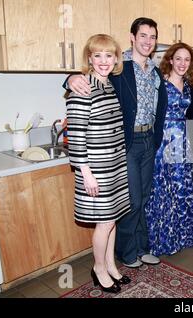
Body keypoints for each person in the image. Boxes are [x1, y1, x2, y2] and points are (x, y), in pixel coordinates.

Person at [65, 18, 167, 268]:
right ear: (132, 37)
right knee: (130, 200)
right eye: (142, 35)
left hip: (148, 139)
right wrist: (69, 78)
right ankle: (127, 251)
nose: (147, 41)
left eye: (152, 37)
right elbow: (88, 79)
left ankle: (142, 248)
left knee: (143, 197)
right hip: (126, 142)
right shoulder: (120, 67)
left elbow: (160, 106)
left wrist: (156, 139)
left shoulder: (155, 71)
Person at [66, 34, 132, 293]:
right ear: (89, 58)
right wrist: (86, 174)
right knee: (104, 223)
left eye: (109, 55)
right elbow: (77, 136)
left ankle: (111, 264)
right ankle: (99, 269)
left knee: (111, 220)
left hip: (113, 166)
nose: (104, 61)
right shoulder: (83, 88)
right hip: (96, 170)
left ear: (116, 58)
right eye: (97, 55)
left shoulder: (108, 85)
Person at [144, 42, 193, 256]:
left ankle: (183, 236)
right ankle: (162, 240)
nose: (182, 63)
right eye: (178, 58)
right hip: (163, 141)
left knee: (182, 186)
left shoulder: (189, 84)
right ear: (170, 59)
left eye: (187, 59)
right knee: (163, 189)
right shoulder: (159, 82)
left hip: (183, 141)